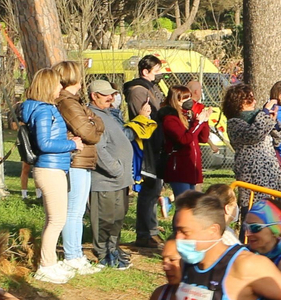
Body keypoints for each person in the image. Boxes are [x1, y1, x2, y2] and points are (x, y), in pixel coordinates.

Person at [16, 66, 77, 282]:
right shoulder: (44, 110)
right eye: (58, 83)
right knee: (57, 220)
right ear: (48, 85)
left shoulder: (42, 109)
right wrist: (71, 143)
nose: (61, 87)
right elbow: (44, 143)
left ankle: (49, 260)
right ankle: (46, 266)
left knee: (53, 219)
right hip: (50, 168)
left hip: (53, 167)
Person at [55, 60, 106, 274]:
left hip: (83, 159)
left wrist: (95, 123)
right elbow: (88, 131)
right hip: (75, 159)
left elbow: (98, 123)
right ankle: (72, 255)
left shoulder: (76, 102)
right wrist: (93, 124)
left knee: (77, 211)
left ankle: (75, 253)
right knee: (73, 211)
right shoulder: (68, 103)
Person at [87, 78, 136, 269]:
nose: (111, 98)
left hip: (119, 180)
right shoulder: (93, 116)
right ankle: (102, 254)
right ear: (94, 96)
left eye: (112, 94)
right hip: (105, 180)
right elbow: (98, 149)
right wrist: (114, 168)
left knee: (117, 217)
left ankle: (113, 249)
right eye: (106, 95)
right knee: (104, 219)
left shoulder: (107, 114)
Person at [125, 55, 168, 250]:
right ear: (145, 71)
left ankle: (151, 230)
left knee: (154, 190)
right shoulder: (137, 91)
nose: (160, 74)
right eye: (157, 70)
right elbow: (147, 118)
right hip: (147, 146)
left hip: (156, 145)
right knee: (149, 191)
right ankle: (145, 234)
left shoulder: (150, 89)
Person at [154, 81, 212, 205]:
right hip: (179, 168)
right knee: (184, 205)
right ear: (176, 100)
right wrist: (198, 123)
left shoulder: (188, 116)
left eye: (189, 97)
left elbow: (202, 138)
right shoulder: (170, 119)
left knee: (191, 206)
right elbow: (184, 139)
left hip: (192, 167)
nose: (189, 101)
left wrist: (204, 121)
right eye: (185, 98)